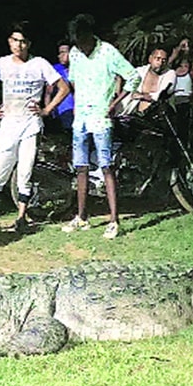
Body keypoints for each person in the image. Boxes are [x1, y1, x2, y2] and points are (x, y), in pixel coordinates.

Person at [0, 21, 70, 233]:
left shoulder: (39, 63)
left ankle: (22, 217)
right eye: (15, 41)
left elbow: (63, 87)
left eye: (23, 41)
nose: (19, 45)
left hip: (30, 123)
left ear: (29, 44)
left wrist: (46, 109)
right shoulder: (2, 63)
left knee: (25, 170)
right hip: (8, 123)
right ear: (9, 42)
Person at [61, 14, 142, 240]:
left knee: (106, 166)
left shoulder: (107, 52)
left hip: (101, 118)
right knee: (81, 167)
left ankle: (114, 220)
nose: (81, 46)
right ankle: (81, 216)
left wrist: (114, 104)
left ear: (90, 35)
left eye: (83, 40)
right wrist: (77, 103)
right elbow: (74, 79)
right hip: (82, 119)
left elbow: (132, 77)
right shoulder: (76, 53)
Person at [117, 46, 177, 115]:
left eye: (163, 60)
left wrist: (141, 96)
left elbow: (162, 93)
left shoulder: (170, 74)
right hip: (132, 112)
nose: (160, 63)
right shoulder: (139, 72)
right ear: (150, 59)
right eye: (157, 59)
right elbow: (128, 89)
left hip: (155, 115)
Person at [45, 41, 75, 131]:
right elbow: (48, 92)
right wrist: (48, 109)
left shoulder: (79, 68)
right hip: (63, 109)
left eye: (63, 52)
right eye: (59, 53)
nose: (60, 56)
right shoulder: (55, 69)